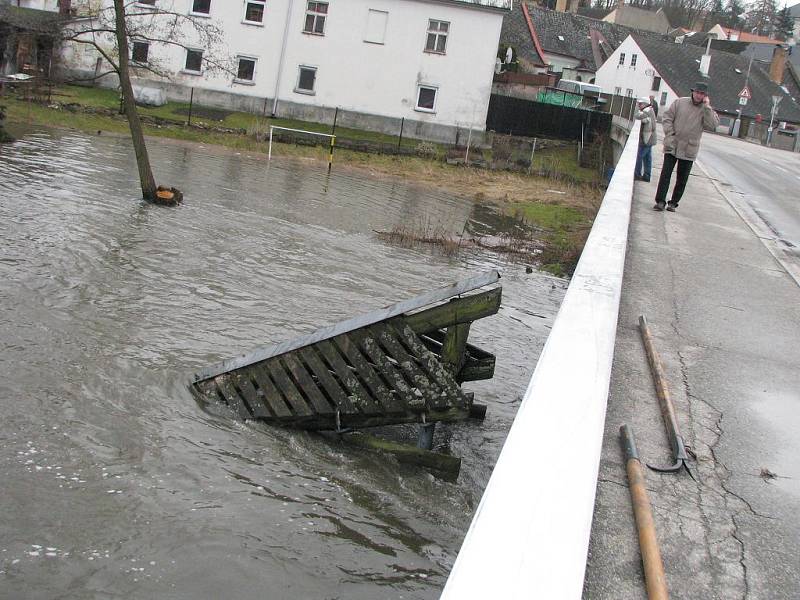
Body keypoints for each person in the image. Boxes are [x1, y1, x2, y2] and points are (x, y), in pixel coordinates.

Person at [653, 82, 719, 212]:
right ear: (693, 92)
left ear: (705, 96)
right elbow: (667, 117)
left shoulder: (706, 110)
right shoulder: (680, 103)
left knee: (682, 179)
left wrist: (707, 107)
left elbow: (712, 125)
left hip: (689, 148)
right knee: (665, 174)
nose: (699, 96)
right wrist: (670, 134)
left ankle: (673, 203)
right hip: (673, 143)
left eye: (702, 94)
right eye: (697, 92)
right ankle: (660, 201)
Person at [634, 97, 657, 182]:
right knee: (647, 158)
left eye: (640, 104)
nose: (639, 105)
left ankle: (637, 174)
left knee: (639, 156)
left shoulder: (647, 111)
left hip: (647, 139)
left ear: (645, 104)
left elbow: (636, 115)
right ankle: (647, 176)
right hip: (650, 138)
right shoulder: (650, 110)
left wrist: (638, 111)